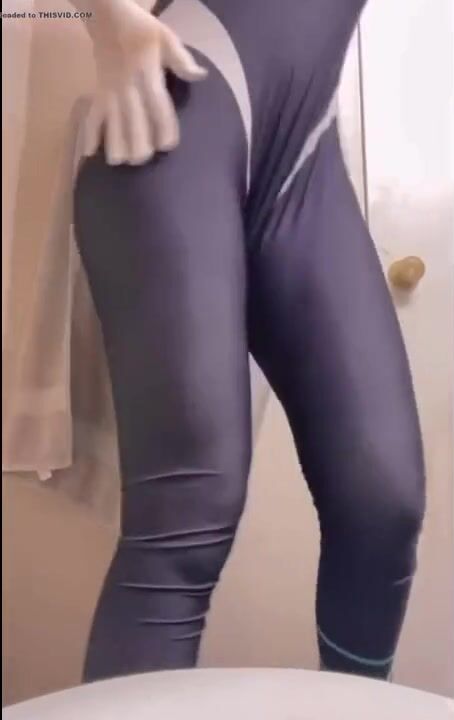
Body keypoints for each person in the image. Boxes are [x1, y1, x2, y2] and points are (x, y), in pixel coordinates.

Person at [73, 0, 425, 682]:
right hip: (185, 107)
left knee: (382, 504)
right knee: (189, 510)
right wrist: (104, 17)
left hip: (306, 164)